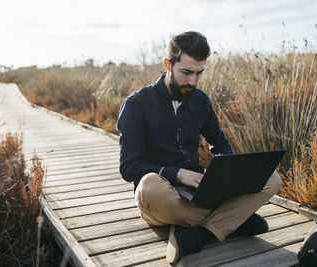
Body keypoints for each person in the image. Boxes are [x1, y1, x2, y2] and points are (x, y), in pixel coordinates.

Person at [117, 31, 282, 264]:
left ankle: (201, 232)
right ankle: (230, 222)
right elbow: (129, 167)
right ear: (168, 64)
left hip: (200, 193)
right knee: (148, 185)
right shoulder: (136, 104)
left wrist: (228, 172)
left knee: (272, 177)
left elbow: (220, 143)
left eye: (199, 73)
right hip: (163, 198)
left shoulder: (200, 100)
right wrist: (179, 174)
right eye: (186, 72)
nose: (193, 81)